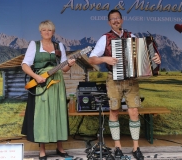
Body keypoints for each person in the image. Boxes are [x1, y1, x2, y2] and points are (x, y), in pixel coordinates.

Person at [88, 9, 161, 160]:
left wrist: (155, 61)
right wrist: (105, 59)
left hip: (131, 80)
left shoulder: (132, 37)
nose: (115, 21)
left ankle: (136, 148)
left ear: (122, 20)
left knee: (133, 111)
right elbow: (92, 59)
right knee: (114, 111)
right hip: (113, 79)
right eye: (112, 19)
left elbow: (146, 56)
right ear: (109, 22)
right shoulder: (105, 38)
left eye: (117, 18)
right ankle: (118, 147)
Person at [21, 20, 75, 160]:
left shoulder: (59, 46)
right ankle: (42, 150)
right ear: (40, 32)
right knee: (42, 115)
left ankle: (60, 147)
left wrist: (69, 64)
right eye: (44, 30)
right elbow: (25, 65)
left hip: (56, 83)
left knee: (58, 113)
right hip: (41, 83)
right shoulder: (35, 45)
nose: (47, 32)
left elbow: (63, 68)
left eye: (49, 30)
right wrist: (36, 77)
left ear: (53, 32)